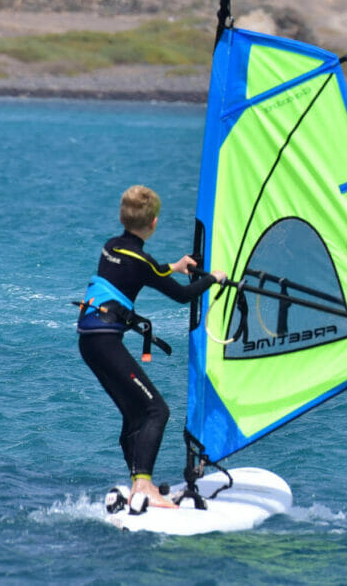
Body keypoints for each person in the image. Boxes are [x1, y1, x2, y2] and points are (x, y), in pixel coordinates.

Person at [77, 185, 227, 509]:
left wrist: (175, 266)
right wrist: (214, 278)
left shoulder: (111, 247)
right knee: (157, 410)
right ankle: (144, 488)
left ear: (123, 216)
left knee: (134, 412)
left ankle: (137, 485)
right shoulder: (142, 261)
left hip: (89, 341)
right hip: (104, 342)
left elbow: (148, 270)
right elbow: (183, 295)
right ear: (154, 223)